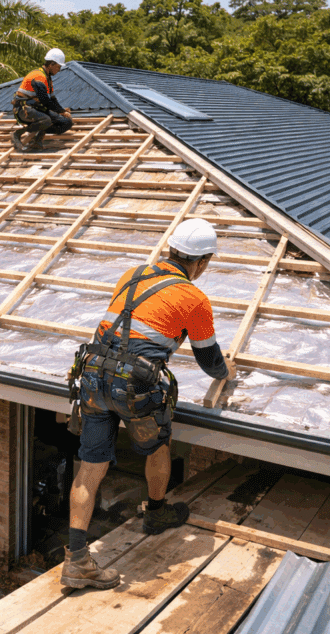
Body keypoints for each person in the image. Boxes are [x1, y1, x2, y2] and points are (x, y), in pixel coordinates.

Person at [61, 218, 237, 590]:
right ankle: (155, 514)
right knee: (157, 447)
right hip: (136, 384)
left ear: (170, 249)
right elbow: (209, 362)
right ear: (202, 262)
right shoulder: (194, 298)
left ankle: (76, 560)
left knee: (90, 468)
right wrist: (227, 371)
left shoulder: (133, 274)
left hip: (93, 374)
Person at [11, 48, 73, 152]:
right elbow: (45, 101)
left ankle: (37, 141)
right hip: (23, 109)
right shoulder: (38, 76)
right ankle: (17, 134)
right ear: (51, 64)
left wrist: (62, 111)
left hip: (36, 109)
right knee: (46, 120)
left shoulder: (48, 79)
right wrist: (60, 111)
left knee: (66, 123)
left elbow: (53, 100)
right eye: (58, 67)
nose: (58, 70)